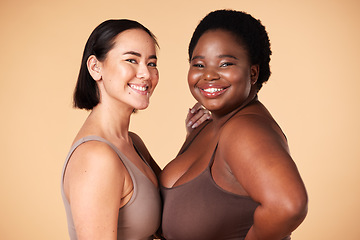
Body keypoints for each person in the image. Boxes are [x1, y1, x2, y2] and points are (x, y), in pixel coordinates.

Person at [160, 10, 308, 240]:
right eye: (199, 65)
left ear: (253, 72)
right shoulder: (211, 126)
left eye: (225, 63)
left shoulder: (245, 130)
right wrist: (190, 138)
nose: (209, 75)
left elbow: (289, 205)